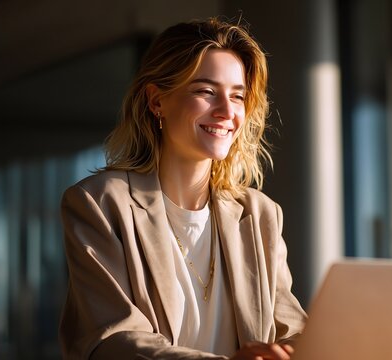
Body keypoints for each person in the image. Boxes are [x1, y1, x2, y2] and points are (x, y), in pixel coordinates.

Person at [59, 18, 307, 360]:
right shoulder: (100, 203)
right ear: (156, 101)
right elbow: (114, 341)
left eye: (237, 96)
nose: (226, 111)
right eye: (206, 91)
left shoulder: (261, 214)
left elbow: (290, 329)